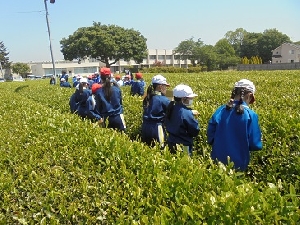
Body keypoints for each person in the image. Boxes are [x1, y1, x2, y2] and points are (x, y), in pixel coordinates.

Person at [207, 79, 263, 171]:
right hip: (239, 162)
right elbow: (255, 144)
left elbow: (210, 135)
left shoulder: (220, 110)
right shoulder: (250, 114)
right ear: (249, 95)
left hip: (217, 158)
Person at [165, 84, 200, 156]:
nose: (191, 100)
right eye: (190, 98)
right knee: (184, 165)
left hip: (171, 141)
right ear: (183, 99)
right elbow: (194, 131)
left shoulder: (171, 108)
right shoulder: (186, 113)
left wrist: (190, 112)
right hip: (183, 145)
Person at [141, 74, 170, 147]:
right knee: (160, 149)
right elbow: (172, 110)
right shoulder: (163, 99)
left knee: (147, 148)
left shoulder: (148, 97)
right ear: (160, 86)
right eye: (165, 86)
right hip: (156, 127)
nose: (166, 88)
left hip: (145, 126)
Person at [94, 67, 126, 132]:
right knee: (123, 137)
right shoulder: (117, 89)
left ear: (101, 77)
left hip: (106, 118)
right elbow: (120, 103)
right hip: (118, 117)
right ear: (110, 76)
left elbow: (98, 108)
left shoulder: (99, 92)